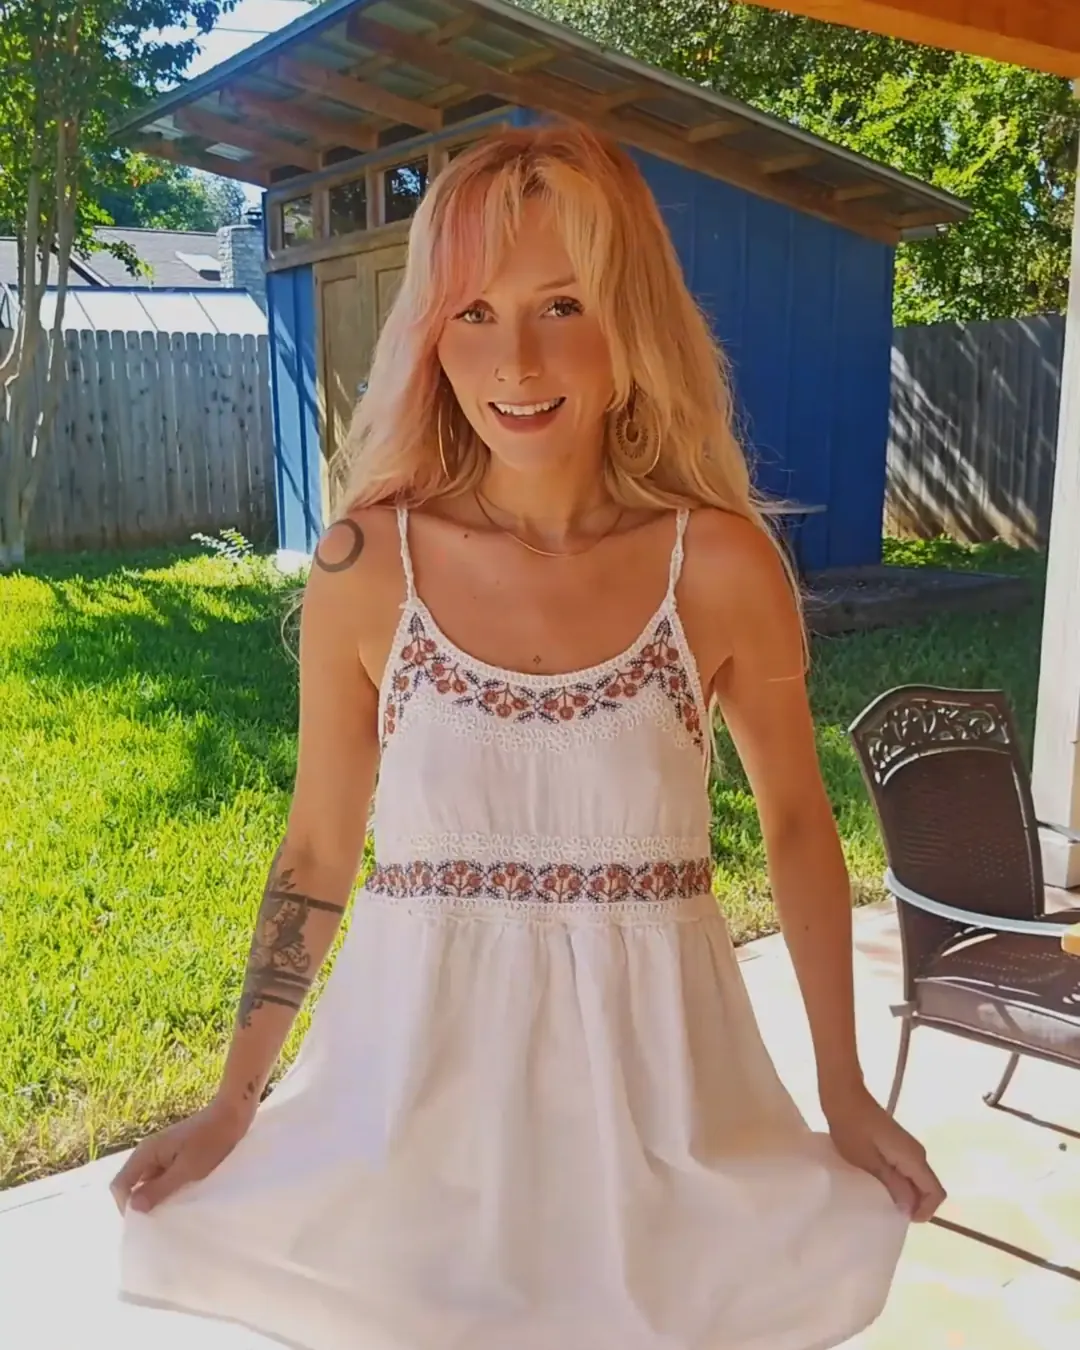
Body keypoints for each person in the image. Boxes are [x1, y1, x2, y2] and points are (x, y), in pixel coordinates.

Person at [112, 122, 945, 1350]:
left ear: (634, 323)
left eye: (562, 303)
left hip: (661, 1105)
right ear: (432, 335)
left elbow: (797, 825)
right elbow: (316, 852)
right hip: (417, 1101)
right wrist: (237, 1100)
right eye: (474, 312)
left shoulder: (717, 563)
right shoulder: (365, 563)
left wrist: (842, 1088)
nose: (517, 358)